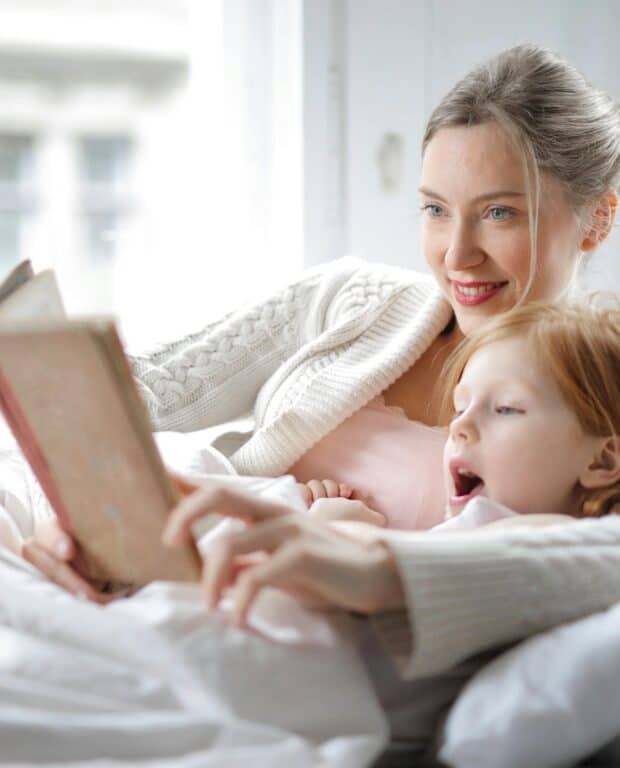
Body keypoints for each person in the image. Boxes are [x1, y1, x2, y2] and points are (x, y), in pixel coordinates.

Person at [20, 43, 620, 682]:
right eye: (436, 211)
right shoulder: (349, 299)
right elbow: (116, 399)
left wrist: (376, 566)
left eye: (499, 213)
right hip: (173, 584)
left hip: (301, 656)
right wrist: (74, 521)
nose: (456, 254)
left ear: (597, 220)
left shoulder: (598, 394)